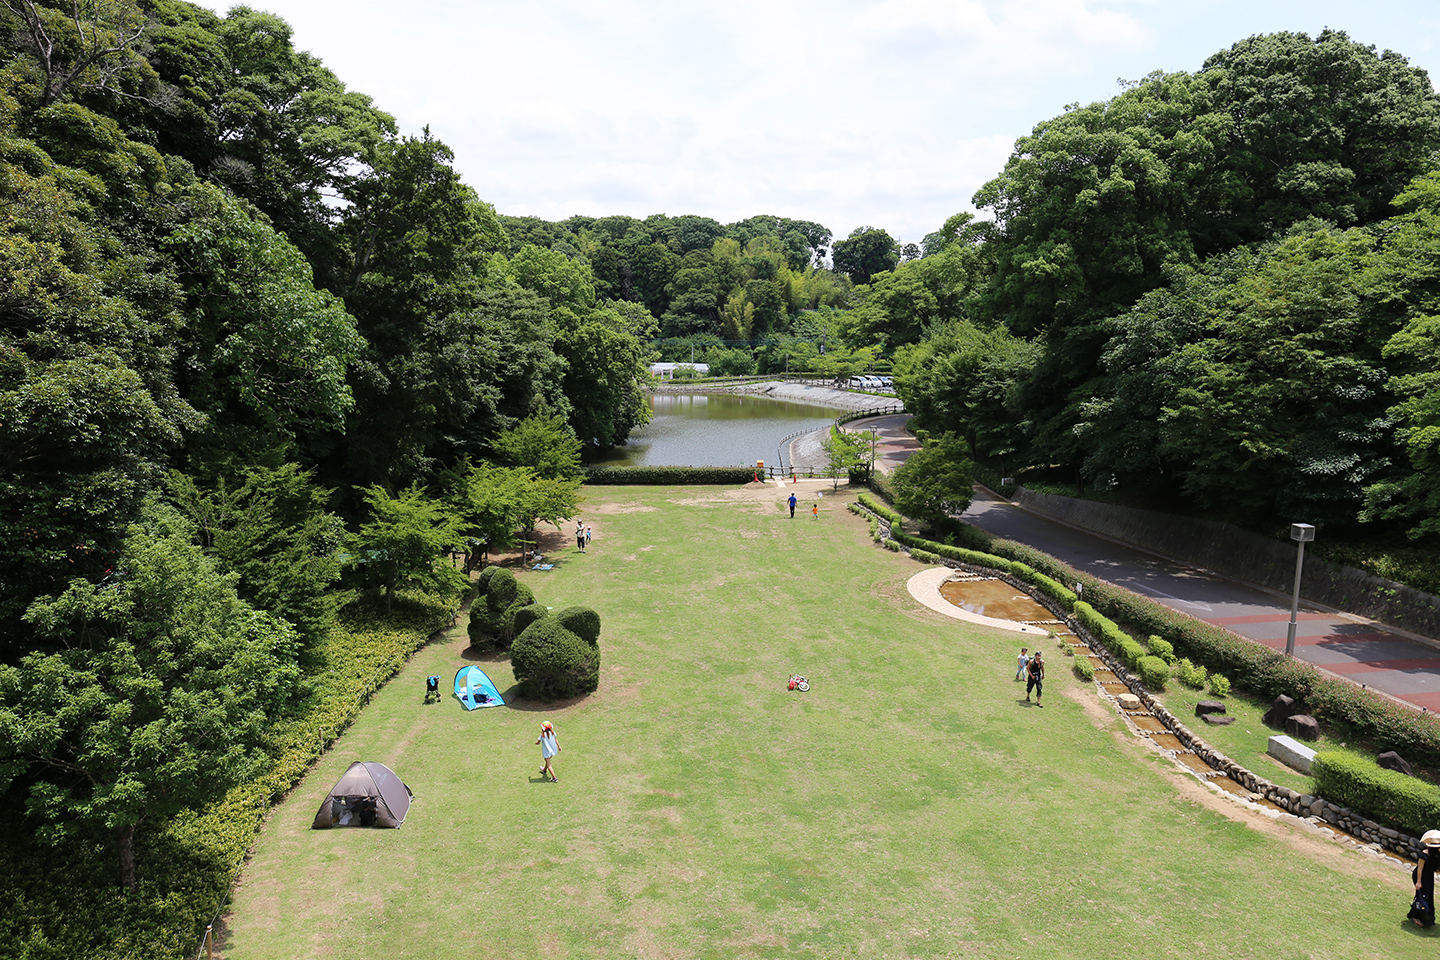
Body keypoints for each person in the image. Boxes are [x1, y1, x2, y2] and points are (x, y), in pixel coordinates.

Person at [1413, 830, 1440, 926]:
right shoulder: (1424, 854)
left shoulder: (1436, 855)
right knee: (1421, 895)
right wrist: (1418, 882)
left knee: (1428, 896)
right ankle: (1417, 916)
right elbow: (1419, 869)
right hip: (1420, 875)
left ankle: (1427, 919)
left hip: (1429, 877)